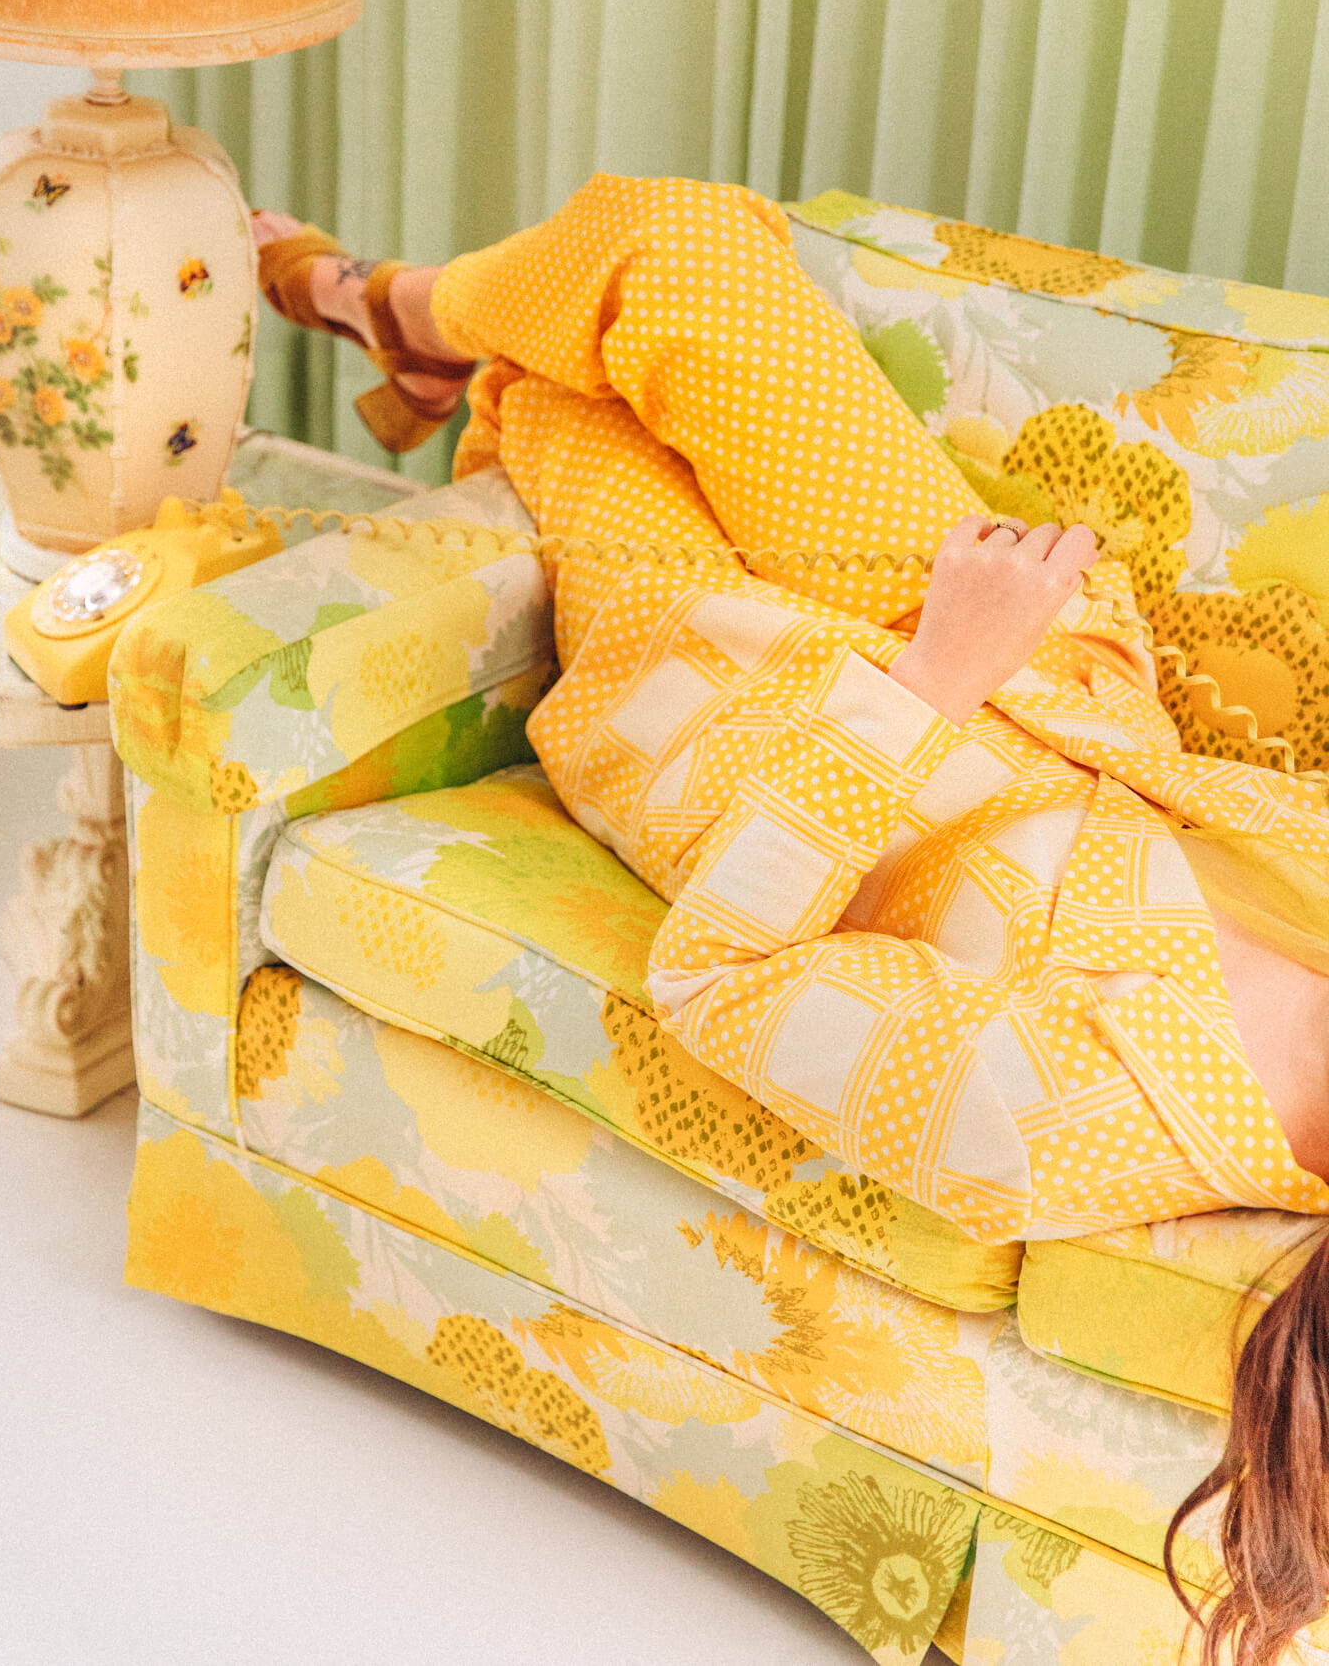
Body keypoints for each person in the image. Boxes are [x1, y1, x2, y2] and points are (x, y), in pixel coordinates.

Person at [254, 174, 1329, 1665]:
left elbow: (723, 976)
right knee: (677, 244)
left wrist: (926, 686)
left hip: (730, 711)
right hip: (987, 631)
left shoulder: (1073, 1123)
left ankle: (389, 319)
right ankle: (393, 311)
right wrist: (975, 648)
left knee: (558, 396)